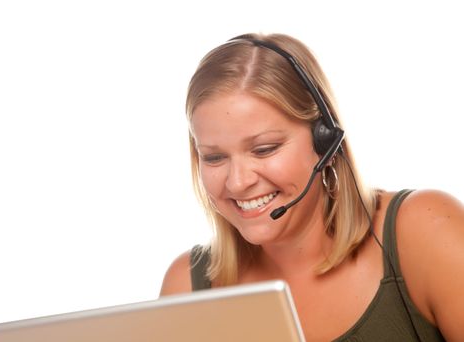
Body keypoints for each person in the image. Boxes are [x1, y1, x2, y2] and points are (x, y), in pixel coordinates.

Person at [160, 33, 464, 341]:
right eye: (214, 157)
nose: (237, 182)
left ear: (325, 140)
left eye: (264, 149)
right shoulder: (185, 288)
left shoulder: (426, 231)